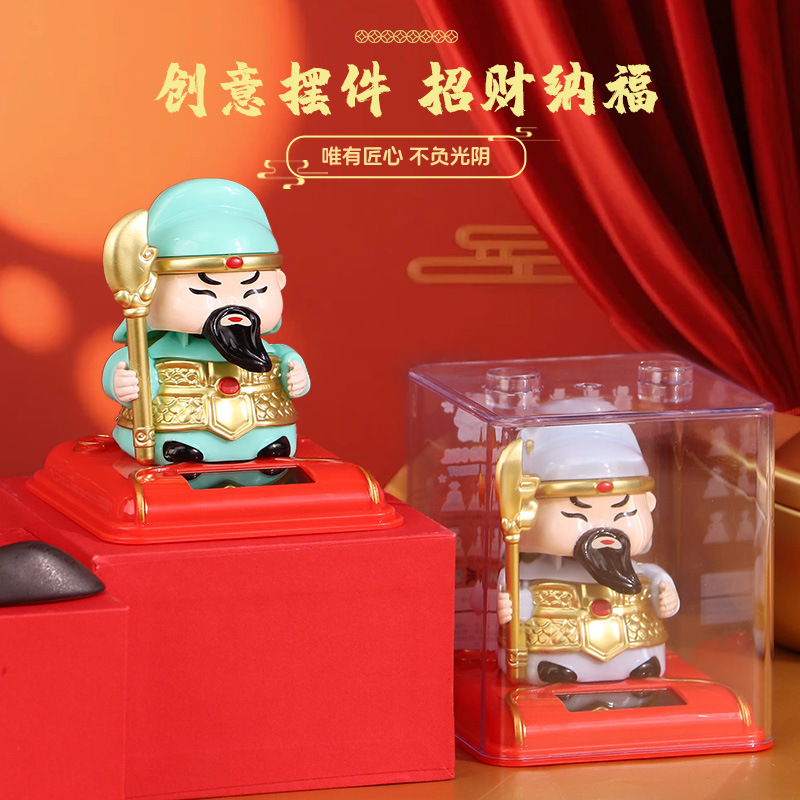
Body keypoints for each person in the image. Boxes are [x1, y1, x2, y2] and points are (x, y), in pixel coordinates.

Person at [102, 179, 309, 464]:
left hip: (263, 426)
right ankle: (183, 447)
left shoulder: (267, 351)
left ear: (279, 283)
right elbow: (125, 364)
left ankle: (266, 443)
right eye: (203, 292)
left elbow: (285, 360)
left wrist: (295, 372)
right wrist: (121, 382)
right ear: (152, 291)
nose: (232, 305)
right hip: (179, 427)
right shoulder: (152, 353)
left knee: (273, 448)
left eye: (255, 290)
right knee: (176, 448)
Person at [497, 401, 679, 685]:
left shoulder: (636, 571)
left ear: (649, 504)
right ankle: (557, 668)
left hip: (634, 646)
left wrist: (664, 593)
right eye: (576, 514)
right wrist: (511, 606)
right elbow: (510, 598)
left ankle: (639, 663)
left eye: (622, 512)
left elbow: (654, 581)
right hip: (557, 646)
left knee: (642, 659)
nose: (603, 527)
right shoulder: (529, 573)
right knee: (549, 666)